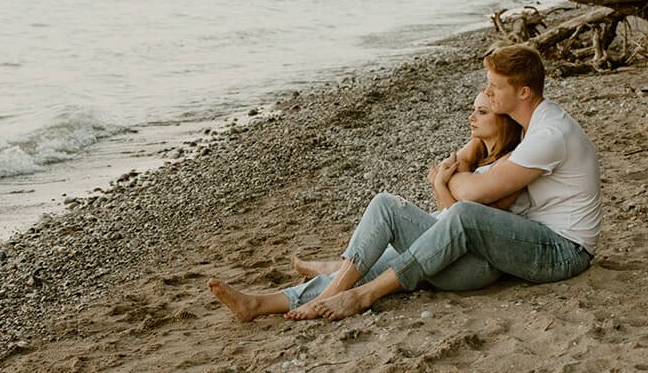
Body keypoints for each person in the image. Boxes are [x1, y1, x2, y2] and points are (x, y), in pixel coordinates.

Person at [208, 44, 599, 322]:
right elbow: (472, 155)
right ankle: (261, 305)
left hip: (563, 251)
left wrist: (446, 180)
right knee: (387, 214)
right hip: (521, 240)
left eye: (495, 88)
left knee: (459, 215)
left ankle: (358, 295)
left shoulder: (548, 135)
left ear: (523, 92)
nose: (488, 94)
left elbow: (472, 197)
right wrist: (463, 162)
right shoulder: (527, 126)